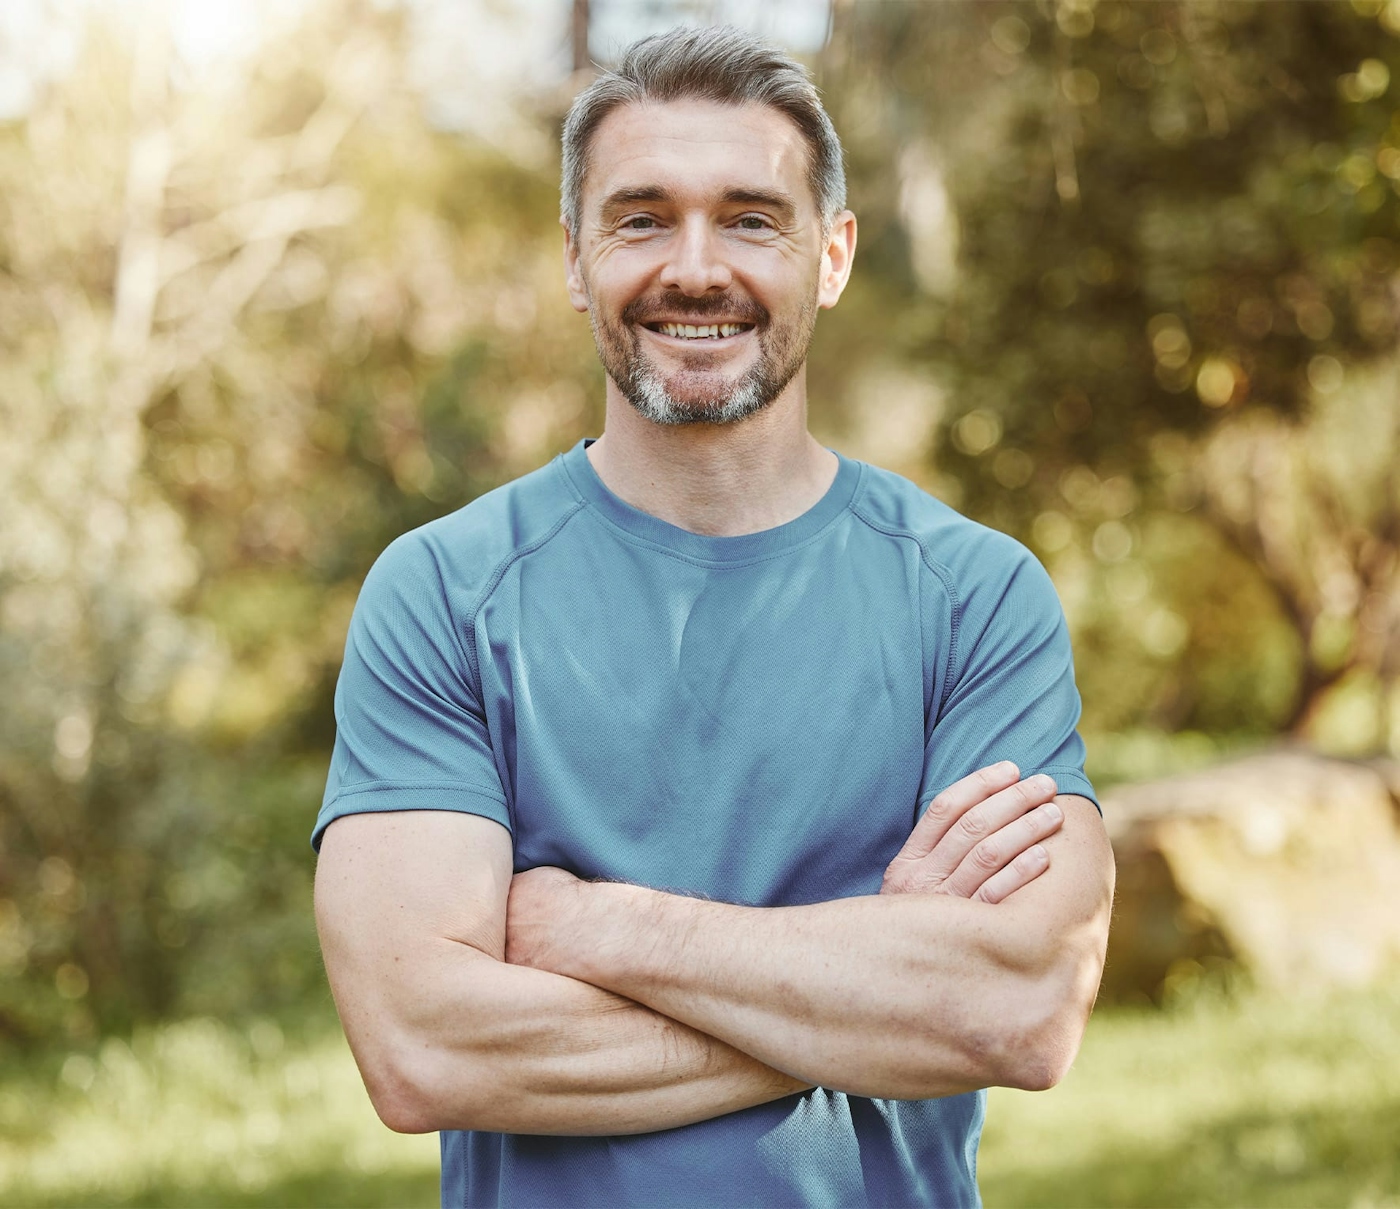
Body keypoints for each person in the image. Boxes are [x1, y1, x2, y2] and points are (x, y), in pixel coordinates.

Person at [312, 25, 1114, 1209]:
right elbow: (423, 1049)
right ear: (575, 258)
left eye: (750, 219)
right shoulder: (442, 593)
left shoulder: (973, 597)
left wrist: (598, 930)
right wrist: (870, 982)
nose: (694, 268)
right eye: (640, 219)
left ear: (830, 256)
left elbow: (1021, 1009)